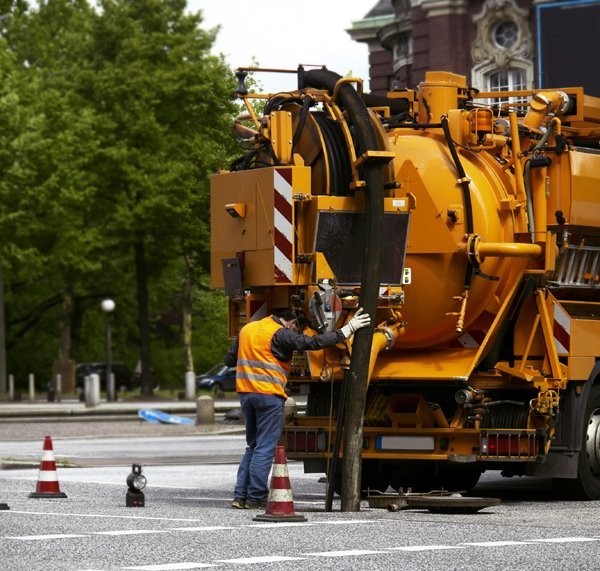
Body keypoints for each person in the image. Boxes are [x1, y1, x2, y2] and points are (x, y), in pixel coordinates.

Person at [225, 307, 371, 509]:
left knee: (253, 447)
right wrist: (347, 330)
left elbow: (229, 360)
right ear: (291, 322)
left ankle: (240, 496)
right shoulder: (281, 333)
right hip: (269, 395)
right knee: (265, 448)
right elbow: (312, 343)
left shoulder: (247, 329)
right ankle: (256, 497)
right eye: (295, 327)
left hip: (246, 394)